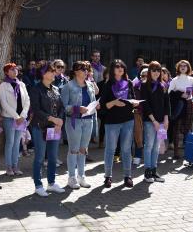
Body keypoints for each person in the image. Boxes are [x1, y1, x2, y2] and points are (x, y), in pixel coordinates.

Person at [100, 59, 140, 188]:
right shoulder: (108, 84)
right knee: (110, 150)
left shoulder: (128, 83)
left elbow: (132, 97)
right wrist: (114, 103)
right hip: (112, 122)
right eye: (117, 67)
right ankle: (108, 177)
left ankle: (127, 176)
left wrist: (135, 103)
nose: (120, 69)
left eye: (122, 67)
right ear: (112, 70)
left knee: (126, 149)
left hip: (128, 120)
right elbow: (102, 106)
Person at [29, 62, 65, 197]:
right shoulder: (35, 89)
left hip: (54, 128)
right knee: (39, 157)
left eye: (54, 71)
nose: (54, 72)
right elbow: (36, 110)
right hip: (40, 127)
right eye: (51, 71)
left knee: (53, 157)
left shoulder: (55, 89)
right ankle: (38, 185)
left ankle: (51, 183)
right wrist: (52, 119)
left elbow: (61, 107)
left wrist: (59, 121)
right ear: (44, 74)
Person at [61, 61, 97, 189]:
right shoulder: (68, 86)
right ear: (76, 71)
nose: (86, 71)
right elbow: (64, 107)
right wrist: (77, 108)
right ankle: (72, 177)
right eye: (83, 69)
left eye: (87, 69)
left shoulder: (90, 85)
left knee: (83, 149)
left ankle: (81, 176)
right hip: (74, 121)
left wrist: (95, 105)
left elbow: (92, 101)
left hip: (89, 120)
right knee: (74, 149)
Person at [0, 63, 31, 176]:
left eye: (16, 69)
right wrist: (16, 116)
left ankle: (15, 165)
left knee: (18, 142)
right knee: (10, 142)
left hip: (21, 118)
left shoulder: (21, 84)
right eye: (12, 70)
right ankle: (8, 166)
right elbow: (4, 103)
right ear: (7, 72)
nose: (15, 71)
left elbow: (27, 100)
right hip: (9, 118)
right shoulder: (3, 85)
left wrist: (22, 115)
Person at [140, 61, 169, 183]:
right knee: (149, 146)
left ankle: (154, 170)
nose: (156, 72)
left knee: (157, 147)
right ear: (149, 71)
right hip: (150, 121)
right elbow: (145, 105)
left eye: (158, 70)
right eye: (154, 70)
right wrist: (154, 121)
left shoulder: (163, 86)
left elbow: (167, 104)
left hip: (162, 121)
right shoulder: (144, 86)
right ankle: (147, 172)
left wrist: (166, 119)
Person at [168, 60, 193, 159]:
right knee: (176, 128)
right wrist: (180, 94)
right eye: (181, 65)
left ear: (188, 67)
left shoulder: (191, 79)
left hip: (189, 105)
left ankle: (188, 152)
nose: (183, 67)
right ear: (178, 68)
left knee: (188, 129)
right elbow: (169, 93)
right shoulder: (174, 80)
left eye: (185, 66)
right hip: (178, 105)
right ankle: (176, 153)